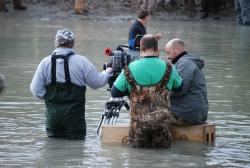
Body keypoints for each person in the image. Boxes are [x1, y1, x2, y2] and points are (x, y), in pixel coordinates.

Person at [30, 29, 112, 139]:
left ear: (56, 42)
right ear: (72, 43)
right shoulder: (81, 61)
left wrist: (51, 98)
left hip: (53, 120)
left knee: (54, 148)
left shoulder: (45, 63)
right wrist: (107, 73)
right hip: (74, 121)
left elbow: (36, 90)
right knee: (76, 149)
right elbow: (97, 83)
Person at [111, 35, 183, 148]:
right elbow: (180, 88)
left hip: (138, 126)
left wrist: (130, 90)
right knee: (162, 158)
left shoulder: (129, 68)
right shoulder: (169, 67)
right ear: (157, 49)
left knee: (137, 158)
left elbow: (115, 93)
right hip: (162, 125)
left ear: (140, 49)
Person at [165, 38, 208, 125]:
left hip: (187, 114)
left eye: (168, 52)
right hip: (194, 112)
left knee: (151, 117)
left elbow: (180, 89)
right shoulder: (187, 62)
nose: (168, 57)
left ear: (177, 50)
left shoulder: (185, 63)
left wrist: (161, 95)